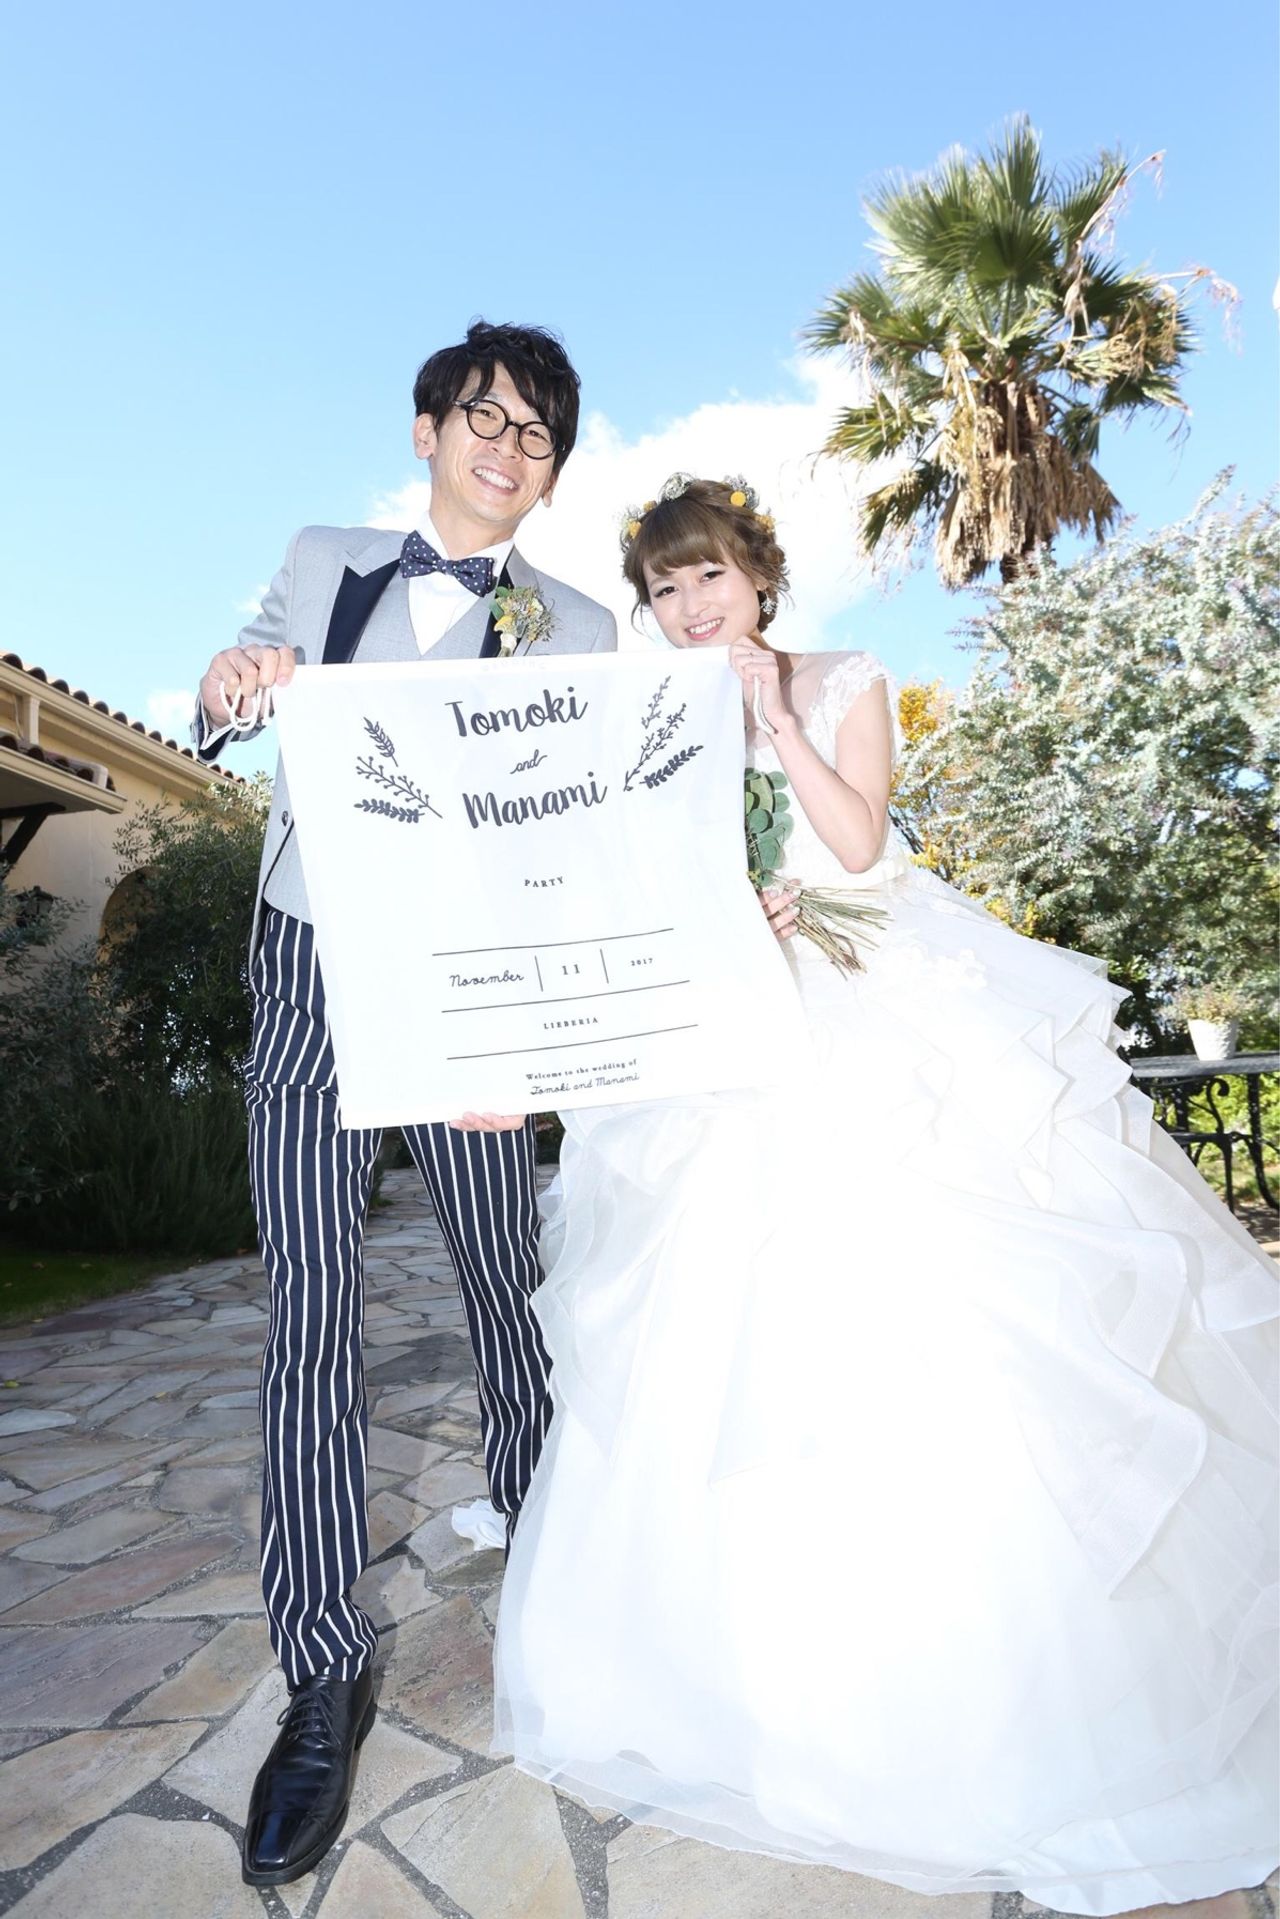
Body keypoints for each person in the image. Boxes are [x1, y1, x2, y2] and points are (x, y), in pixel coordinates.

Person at [493, 477, 1279, 1915]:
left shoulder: (847, 677)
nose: (690, 605)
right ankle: (732, 1677)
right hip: (736, 1026)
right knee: (726, 1327)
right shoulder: (651, 720)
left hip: (876, 999)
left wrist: (774, 725)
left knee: (933, 1304)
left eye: (709, 575)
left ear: (756, 574)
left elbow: (857, 845)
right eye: (665, 589)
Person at [191, 321, 617, 1888]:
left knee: (509, 1288)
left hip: (471, 987)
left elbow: (583, 834)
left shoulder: (580, 626)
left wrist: (538, 1046)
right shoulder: (326, 561)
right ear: (429, 430)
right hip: (310, 954)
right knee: (311, 1313)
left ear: (551, 475)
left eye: (538, 435)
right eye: (485, 418)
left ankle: (558, 1579)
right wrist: (235, 682)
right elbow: (232, 681)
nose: (509, 448)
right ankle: (322, 1668)